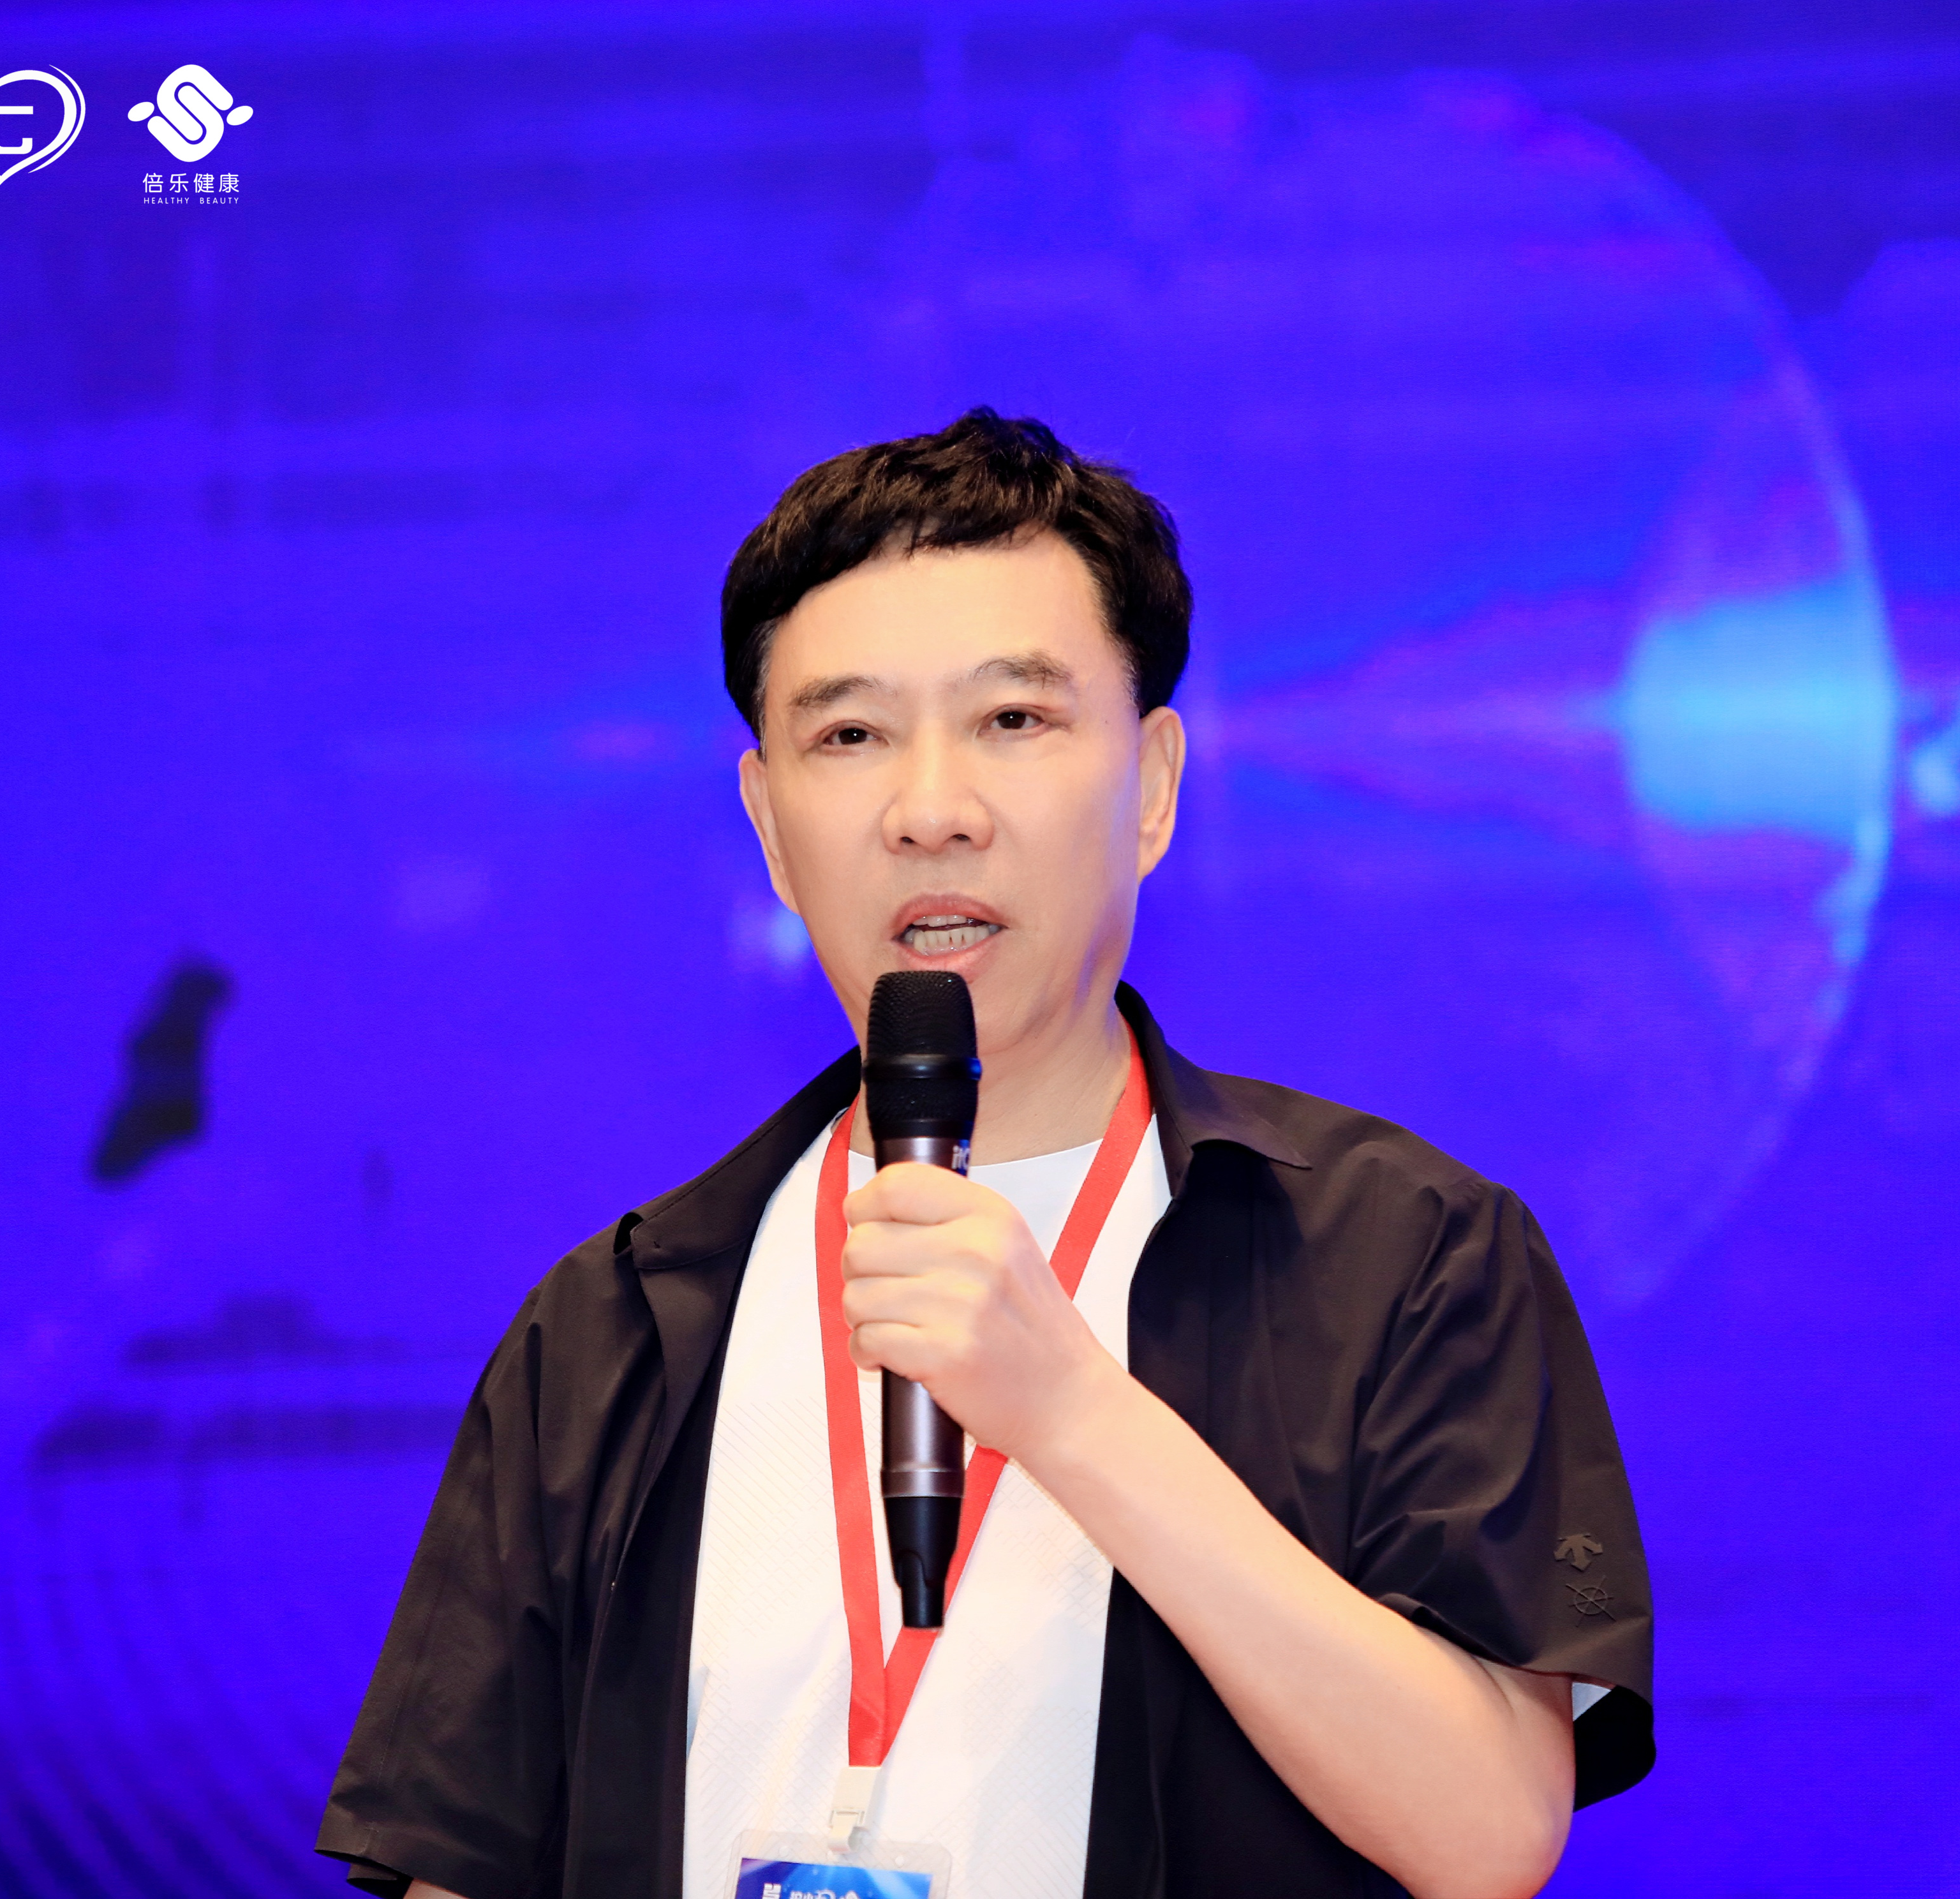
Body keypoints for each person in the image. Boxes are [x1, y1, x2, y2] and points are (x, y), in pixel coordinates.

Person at [317, 410, 1654, 1899]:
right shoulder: (618, 1323)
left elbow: (1489, 1833)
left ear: (1152, 786)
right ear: (769, 826)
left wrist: (1071, 1412)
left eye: (1013, 720)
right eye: (849, 736)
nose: (931, 812)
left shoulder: (1405, 1256)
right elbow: (458, 1860)